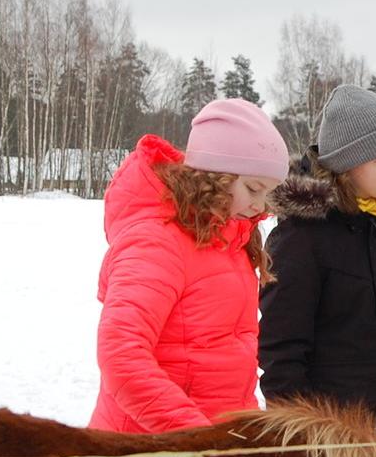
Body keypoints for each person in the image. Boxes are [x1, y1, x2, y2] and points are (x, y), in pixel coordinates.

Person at [259, 85, 376, 437]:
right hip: (341, 448)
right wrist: (306, 446)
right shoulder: (300, 238)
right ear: (347, 164)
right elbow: (282, 359)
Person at [89, 98, 289, 434]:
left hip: (208, 455)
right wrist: (198, 437)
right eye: (253, 188)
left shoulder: (230, 240)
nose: (259, 205)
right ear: (216, 176)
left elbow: (226, 366)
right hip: (146, 455)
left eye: (266, 193)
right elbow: (122, 357)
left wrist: (242, 436)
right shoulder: (156, 243)